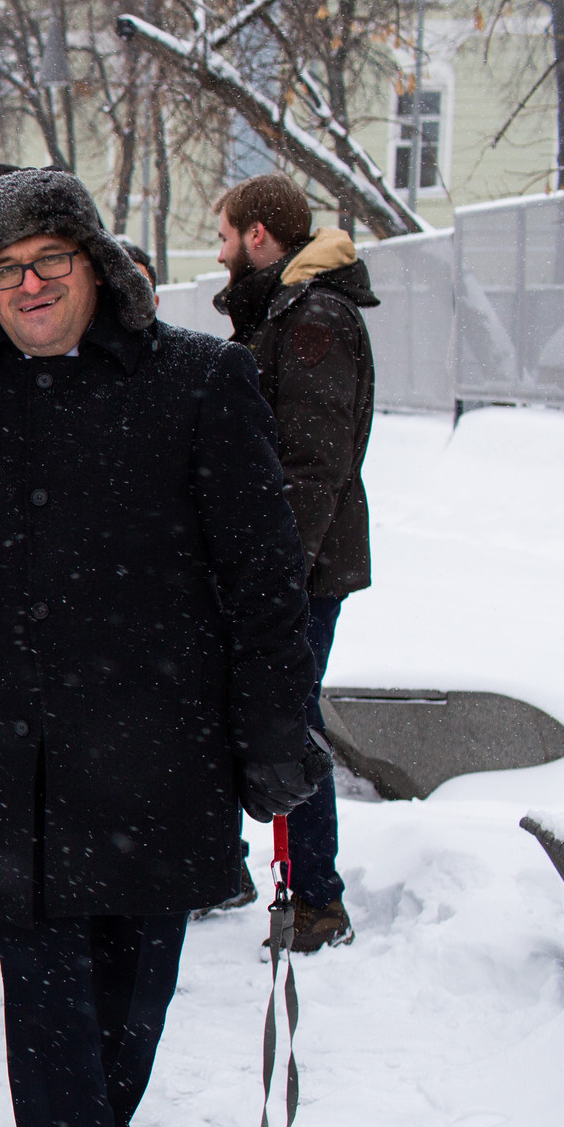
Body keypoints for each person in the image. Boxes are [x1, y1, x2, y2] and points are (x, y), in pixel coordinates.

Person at [0, 168, 325, 1127]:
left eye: (50, 258)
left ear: (98, 267)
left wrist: (273, 726)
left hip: (159, 744)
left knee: (132, 991)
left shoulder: (198, 383)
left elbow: (263, 577)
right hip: (17, 752)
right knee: (42, 988)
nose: (30, 284)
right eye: (4, 269)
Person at [214, 174, 378, 954]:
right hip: (283, 561)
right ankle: (277, 880)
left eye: (224, 236)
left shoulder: (314, 316)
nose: (218, 253)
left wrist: (278, 571)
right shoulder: (284, 309)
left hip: (302, 570)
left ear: (257, 236)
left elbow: (314, 464)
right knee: (278, 715)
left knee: (291, 722)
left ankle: (316, 897)